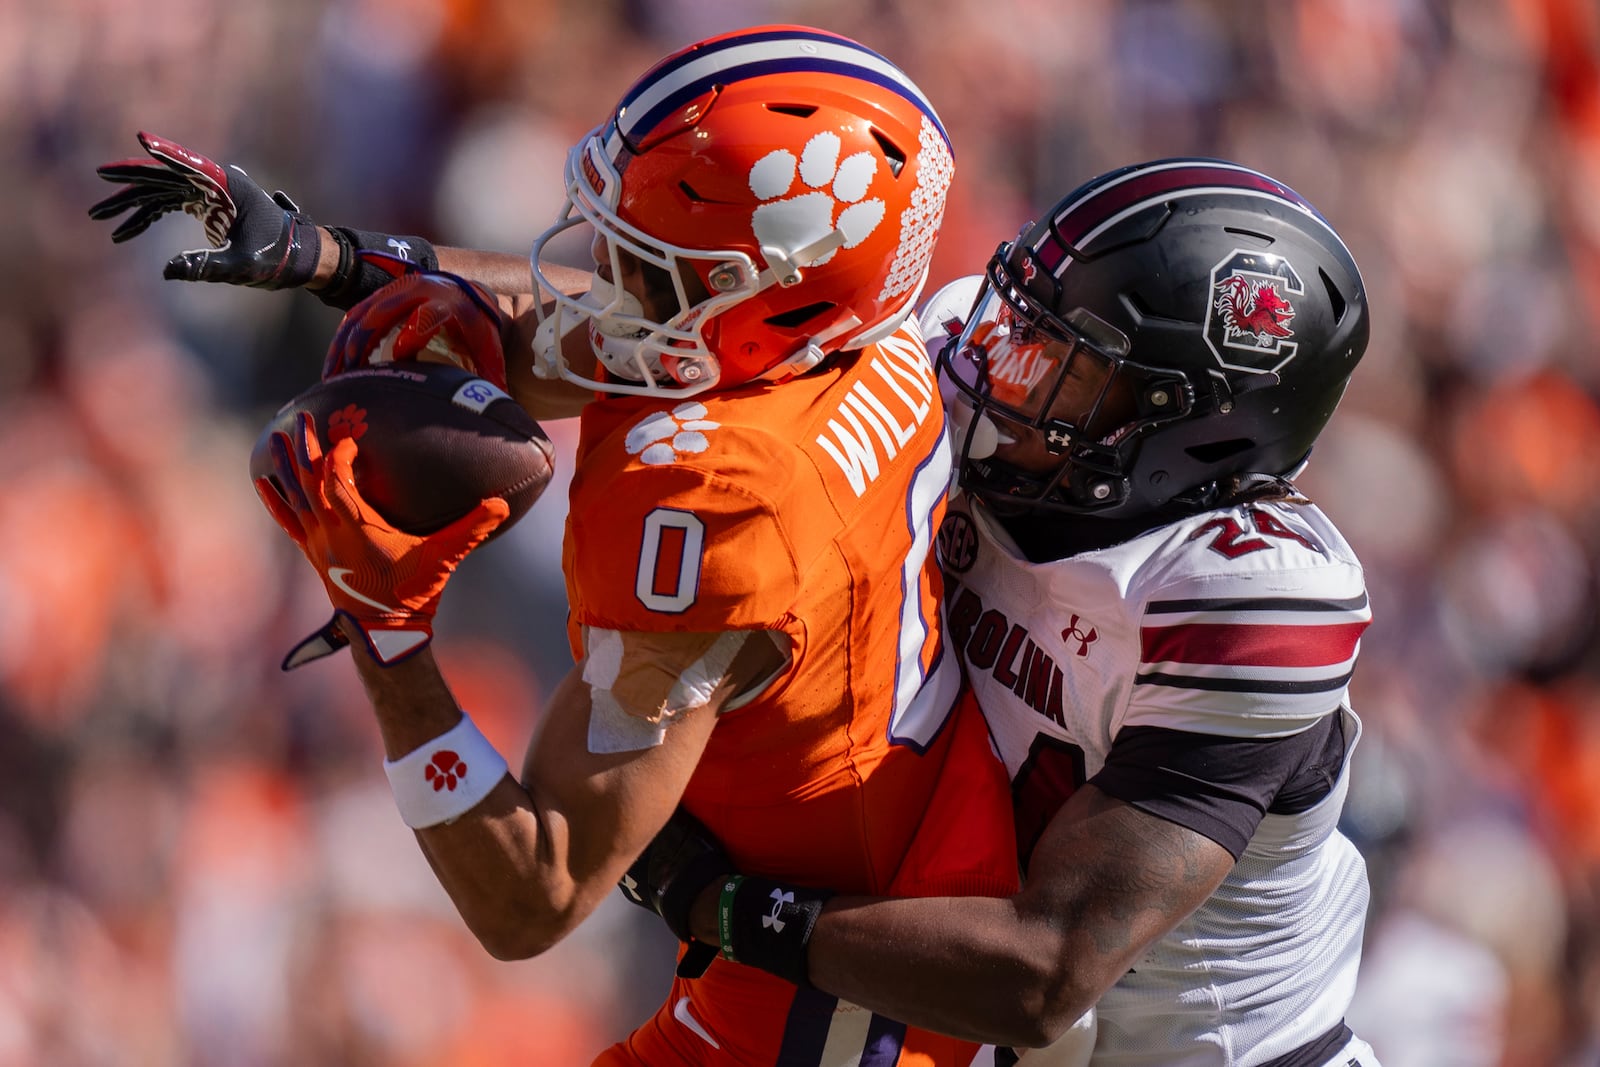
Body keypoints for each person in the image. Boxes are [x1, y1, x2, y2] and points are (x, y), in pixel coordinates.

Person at [90, 24, 1024, 1067]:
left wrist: (386, 633)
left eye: (655, 259)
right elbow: (613, 318)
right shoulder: (849, 334)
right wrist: (341, 259)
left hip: (821, 1021)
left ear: (776, 292)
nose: (605, 265)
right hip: (850, 938)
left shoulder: (715, 504)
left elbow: (536, 892)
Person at [634, 158, 1386, 1067]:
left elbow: (1042, 972)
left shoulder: (1246, 600)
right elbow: (686, 328)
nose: (995, 366)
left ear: (1186, 430)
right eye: (1019, 322)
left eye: (1065, 366)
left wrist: (716, 901)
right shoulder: (968, 358)